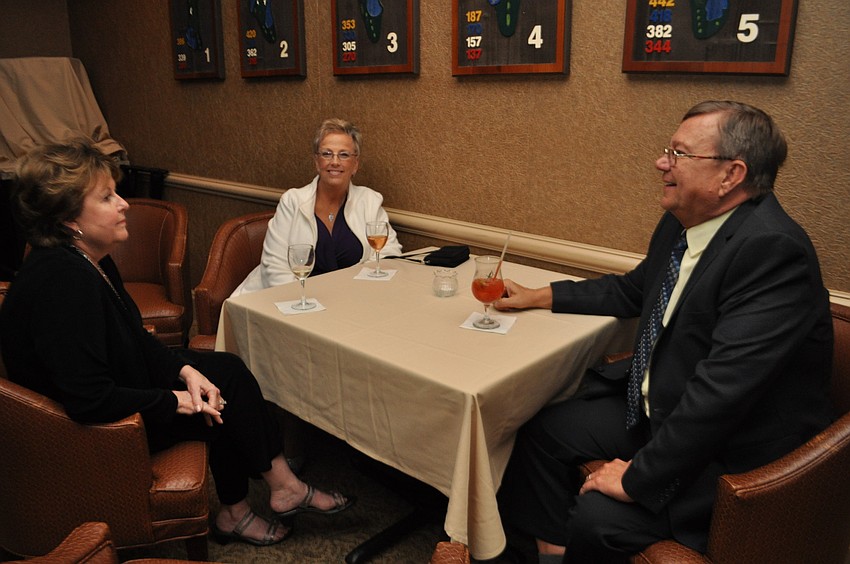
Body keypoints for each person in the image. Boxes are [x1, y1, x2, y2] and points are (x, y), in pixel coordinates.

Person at [494, 101, 834, 563]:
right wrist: (539, 295)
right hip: (661, 410)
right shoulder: (684, 220)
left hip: (727, 450)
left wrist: (636, 480)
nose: (661, 163)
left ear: (730, 175)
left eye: (678, 154)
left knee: (598, 519)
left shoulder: (773, 251)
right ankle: (552, 551)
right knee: (542, 428)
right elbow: (634, 290)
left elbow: (721, 396)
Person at [0, 138, 355, 548]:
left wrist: (186, 371)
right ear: (67, 219)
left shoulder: (88, 260)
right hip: (93, 433)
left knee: (222, 370)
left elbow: (134, 338)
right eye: (106, 197)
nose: (124, 203)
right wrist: (177, 400)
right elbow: (88, 399)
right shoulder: (61, 282)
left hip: (116, 385)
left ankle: (262, 496)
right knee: (220, 399)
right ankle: (259, 500)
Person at [232, 118, 402, 295]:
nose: (335, 162)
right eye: (327, 154)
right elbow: (274, 269)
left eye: (344, 155)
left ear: (355, 165)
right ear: (316, 161)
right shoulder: (292, 201)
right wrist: (307, 302)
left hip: (351, 299)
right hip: (294, 301)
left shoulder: (369, 200)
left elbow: (389, 254)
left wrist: (356, 292)